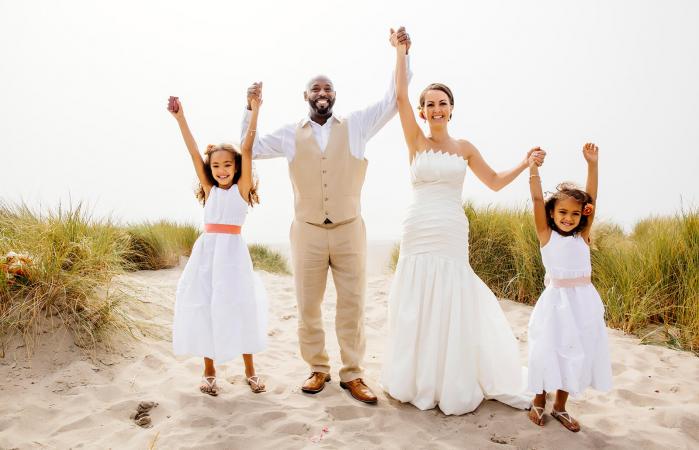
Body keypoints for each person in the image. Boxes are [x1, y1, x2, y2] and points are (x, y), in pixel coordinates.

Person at [240, 28, 412, 404]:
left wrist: (401, 54)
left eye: (328, 89)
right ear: (306, 97)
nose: (322, 94)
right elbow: (246, 147)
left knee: (353, 304)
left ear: (334, 95)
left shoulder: (357, 126)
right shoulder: (289, 134)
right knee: (308, 305)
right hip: (307, 232)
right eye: (316, 89)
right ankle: (318, 369)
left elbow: (393, 100)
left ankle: (353, 374)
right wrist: (251, 109)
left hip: (350, 230)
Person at [380, 30, 544, 415]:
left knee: (452, 296)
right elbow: (400, 95)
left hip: (450, 229)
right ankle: (418, 377)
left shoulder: (465, 148)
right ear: (422, 112)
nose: (436, 109)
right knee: (415, 300)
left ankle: (453, 377)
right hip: (418, 227)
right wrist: (401, 53)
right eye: (430, 104)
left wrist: (525, 162)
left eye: (443, 103)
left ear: (452, 109)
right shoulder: (416, 142)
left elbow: (495, 182)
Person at [169, 91, 268, 396]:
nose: (221, 171)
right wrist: (180, 118)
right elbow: (192, 150)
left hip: (233, 256)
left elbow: (248, 149)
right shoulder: (210, 191)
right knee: (208, 308)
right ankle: (209, 371)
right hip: (207, 255)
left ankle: (250, 371)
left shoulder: (241, 189)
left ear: (236, 168)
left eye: (227, 165)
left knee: (240, 308)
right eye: (215, 167)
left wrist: (253, 111)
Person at [526, 143, 612, 432]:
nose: (568, 218)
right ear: (552, 214)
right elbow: (538, 200)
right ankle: (539, 399)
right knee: (547, 349)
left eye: (575, 214)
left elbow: (593, 198)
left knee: (573, 352)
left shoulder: (582, 237)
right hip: (555, 303)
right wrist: (533, 170)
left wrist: (592, 165)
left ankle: (560, 406)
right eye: (562, 212)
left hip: (583, 304)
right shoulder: (546, 235)